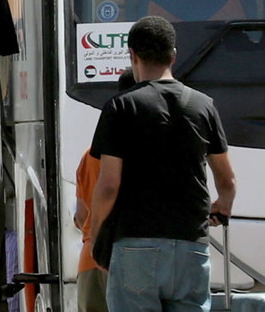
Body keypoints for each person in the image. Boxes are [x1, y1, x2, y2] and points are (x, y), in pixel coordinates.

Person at [88, 16, 235, 312]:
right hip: (192, 246)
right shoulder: (203, 104)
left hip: (135, 244)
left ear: (133, 56)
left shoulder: (121, 106)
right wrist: (223, 205)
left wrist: (96, 234)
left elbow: (108, 186)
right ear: (174, 56)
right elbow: (227, 179)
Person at [73, 69, 134, 312]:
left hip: (91, 259)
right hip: (131, 259)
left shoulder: (91, 154)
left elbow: (80, 216)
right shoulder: (150, 149)